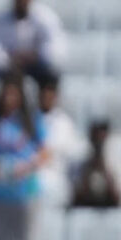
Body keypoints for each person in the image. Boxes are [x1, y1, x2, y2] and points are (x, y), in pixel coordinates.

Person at [0, 76, 48, 240]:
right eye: (6, 94)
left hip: (25, 194)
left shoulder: (30, 120)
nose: (9, 99)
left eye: (13, 94)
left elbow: (45, 152)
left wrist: (27, 166)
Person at [0, 0, 68, 82]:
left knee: (51, 76)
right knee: (6, 77)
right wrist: (11, 59)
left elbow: (56, 49)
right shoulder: (0, 20)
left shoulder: (45, 17)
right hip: (12, 68)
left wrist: (35, 56)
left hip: (39, 67)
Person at [35, 76, 80, 206]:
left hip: (56, 175)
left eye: (50, 94)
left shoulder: (64, 123)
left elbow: (68, 154)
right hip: (31, 173)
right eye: (44, 93)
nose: (47, 97)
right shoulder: (29, 120)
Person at [70, 120, 121, 210]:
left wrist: (104, 169)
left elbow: (119, 200)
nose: (98, 143)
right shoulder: (80, 163)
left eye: (102, 139)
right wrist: (89, 170)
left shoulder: (118, 163)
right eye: (95, 139)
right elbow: (75, 200)